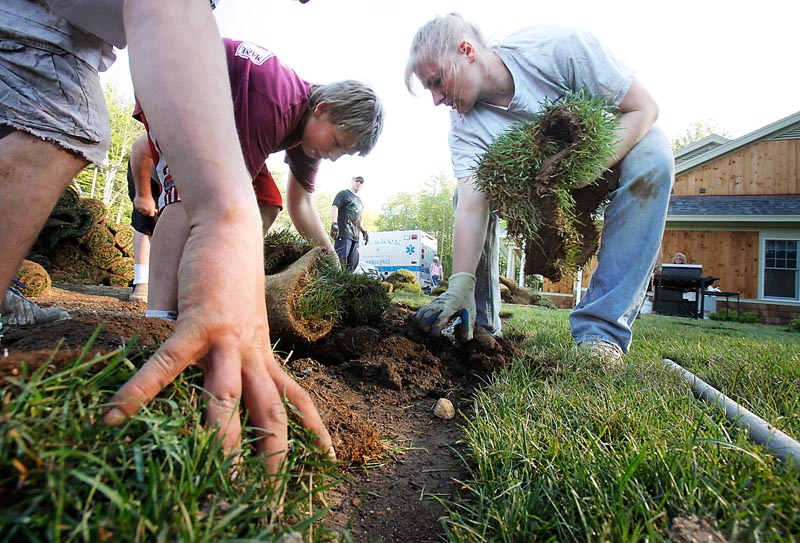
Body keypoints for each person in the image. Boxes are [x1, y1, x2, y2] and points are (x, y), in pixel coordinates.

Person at [0, 0, 332, 477]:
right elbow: (164, 13)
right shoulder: (276, 98)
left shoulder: (296, 125)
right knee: (67, 120)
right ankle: (156, 312)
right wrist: (220, 219)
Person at [405, 14, 674, 364]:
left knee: (655, 159)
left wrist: (577, 172)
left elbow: (643, 108)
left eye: (437, 81)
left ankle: (601, 333)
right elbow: (471, 205)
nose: (437, 99)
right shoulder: (464, 128)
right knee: (464, 194)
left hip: (604, 154)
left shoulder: (557, 49)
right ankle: (481, 327)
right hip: (534, 189)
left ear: (466, 51)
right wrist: (459, 283)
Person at [139, 40, 384, 321]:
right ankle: (160, 315)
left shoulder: (311, 135)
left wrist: (334, 266)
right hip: (174, 85)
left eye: (344, 153)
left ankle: (209, 287)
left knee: (267, 201)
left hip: (222, 123)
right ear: (322, 109)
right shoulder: (276, 103)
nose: (333, 157)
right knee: (190, 192)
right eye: (337, 144)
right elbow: (227, 196)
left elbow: (301, 205)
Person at [126, 133, 161, 303]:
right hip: (146, 163)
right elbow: (139, 148)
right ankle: (142, 281)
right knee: (145, 224)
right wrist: (144, 195)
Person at [330, 176, 369, 271]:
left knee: (352, 263)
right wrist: (334, 223)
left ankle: (347, 284)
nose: (359, 183)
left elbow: (359, 218)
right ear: (352, 181)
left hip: (355, 237)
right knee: (340, 262)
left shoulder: (360, 202)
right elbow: (335, 207)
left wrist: (364, 231)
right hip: (344, 233)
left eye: (361, 182)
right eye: (357, 180)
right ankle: (337, 283)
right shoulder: (344, 194)